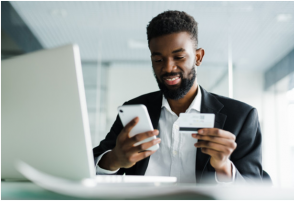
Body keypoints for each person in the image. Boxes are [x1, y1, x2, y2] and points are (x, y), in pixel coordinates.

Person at [93, 10, 262, 184]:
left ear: (198, 57)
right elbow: (88, 166)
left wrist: (224, 166)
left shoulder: (241, 117)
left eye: (179, 57)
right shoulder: (134, 112)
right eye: (158, 60)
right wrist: (114, 159)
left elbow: (256, 191)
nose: (168, 68)